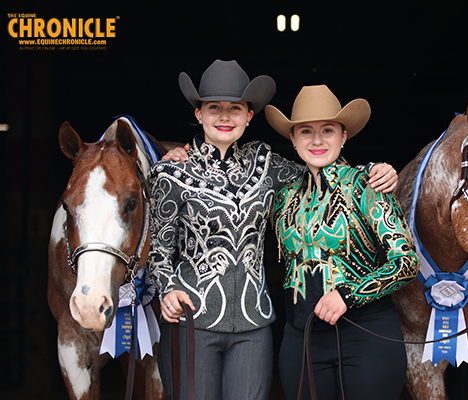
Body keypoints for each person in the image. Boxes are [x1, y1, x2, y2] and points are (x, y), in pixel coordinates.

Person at [148, 60, 399, 400]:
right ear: (198, 115)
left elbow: (319, 168)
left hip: (254, 323)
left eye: (234, 108)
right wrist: (167, 290)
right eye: (214, 108)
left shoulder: (265, 163)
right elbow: (158, 251)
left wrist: (372, 171)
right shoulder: (171, 174)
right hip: (193, 318)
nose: (224, 116)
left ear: (249, 116)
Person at [267, 85, 420, 400]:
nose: (318, 140)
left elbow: (406, 263)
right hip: (301, 339)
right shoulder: (282, 198)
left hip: (366, 335)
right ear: (293, 140)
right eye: (306, 131)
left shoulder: (369, 186)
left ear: (343, 136)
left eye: (328, 130)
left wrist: (348, 294)